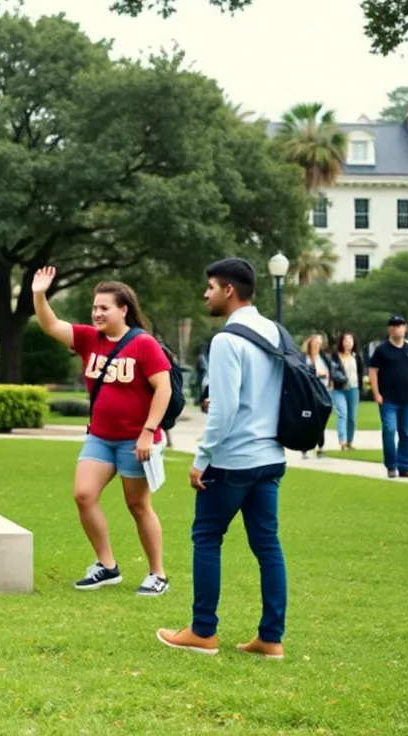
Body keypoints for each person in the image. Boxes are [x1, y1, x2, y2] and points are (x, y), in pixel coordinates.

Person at [158, 258, 287, 660]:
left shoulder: (227, 339)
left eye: (211, 287)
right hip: (270, 455)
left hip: (233, 459)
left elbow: (226, 410)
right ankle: (271, 638)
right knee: (268, 546)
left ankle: (203, 631)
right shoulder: (275, 331)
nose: (206, 294)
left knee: (207, 538)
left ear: (229, 290)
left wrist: (202, 457)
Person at [32, 267, 172, 597]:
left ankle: (157, 574)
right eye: (95, 308)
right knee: (83, 495)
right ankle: (107, 566)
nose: (97, 313)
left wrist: (147, 432)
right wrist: (39, 293)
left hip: (135, 441)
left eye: (104, 308)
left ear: (123, 309)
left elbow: (163, 388)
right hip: (100, 437)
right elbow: (51, 325)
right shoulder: (87, 339)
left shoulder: (143, 344)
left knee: (138, 506)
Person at [369, 314, 408, 479]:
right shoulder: (382, 350)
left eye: (399, 325)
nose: (396, 327)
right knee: (389, 429)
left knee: (406, 433)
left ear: (405, 328)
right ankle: (391, 465)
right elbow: (373, 372)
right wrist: (377, 393)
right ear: (389, 329)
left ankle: (404, 465)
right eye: (393, 325)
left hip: (407, 399)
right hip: (388, 398)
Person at [328, 332, 364, 452]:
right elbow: (331, 371)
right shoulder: (335, 356)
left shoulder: (356, 356)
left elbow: (360, 373)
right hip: (339, 389)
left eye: (350, 340)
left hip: (353, 389)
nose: (348, 342)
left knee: (352, 417)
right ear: (341, 342)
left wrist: (361, 387)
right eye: (345, 340)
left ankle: (350, 441)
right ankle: (342, 441)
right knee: (342, 413)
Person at [300, 334, 331, 459]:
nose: (318, 346)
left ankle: (320, 447)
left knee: (321, 420)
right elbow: (303, 372)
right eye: (316, 344)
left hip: (322, 391)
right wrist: (317, 373)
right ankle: (304, 447)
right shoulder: (304, 358)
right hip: (309, 393)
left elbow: (329, 371)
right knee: (308, 420)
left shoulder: (323, 358)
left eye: (320, 344)